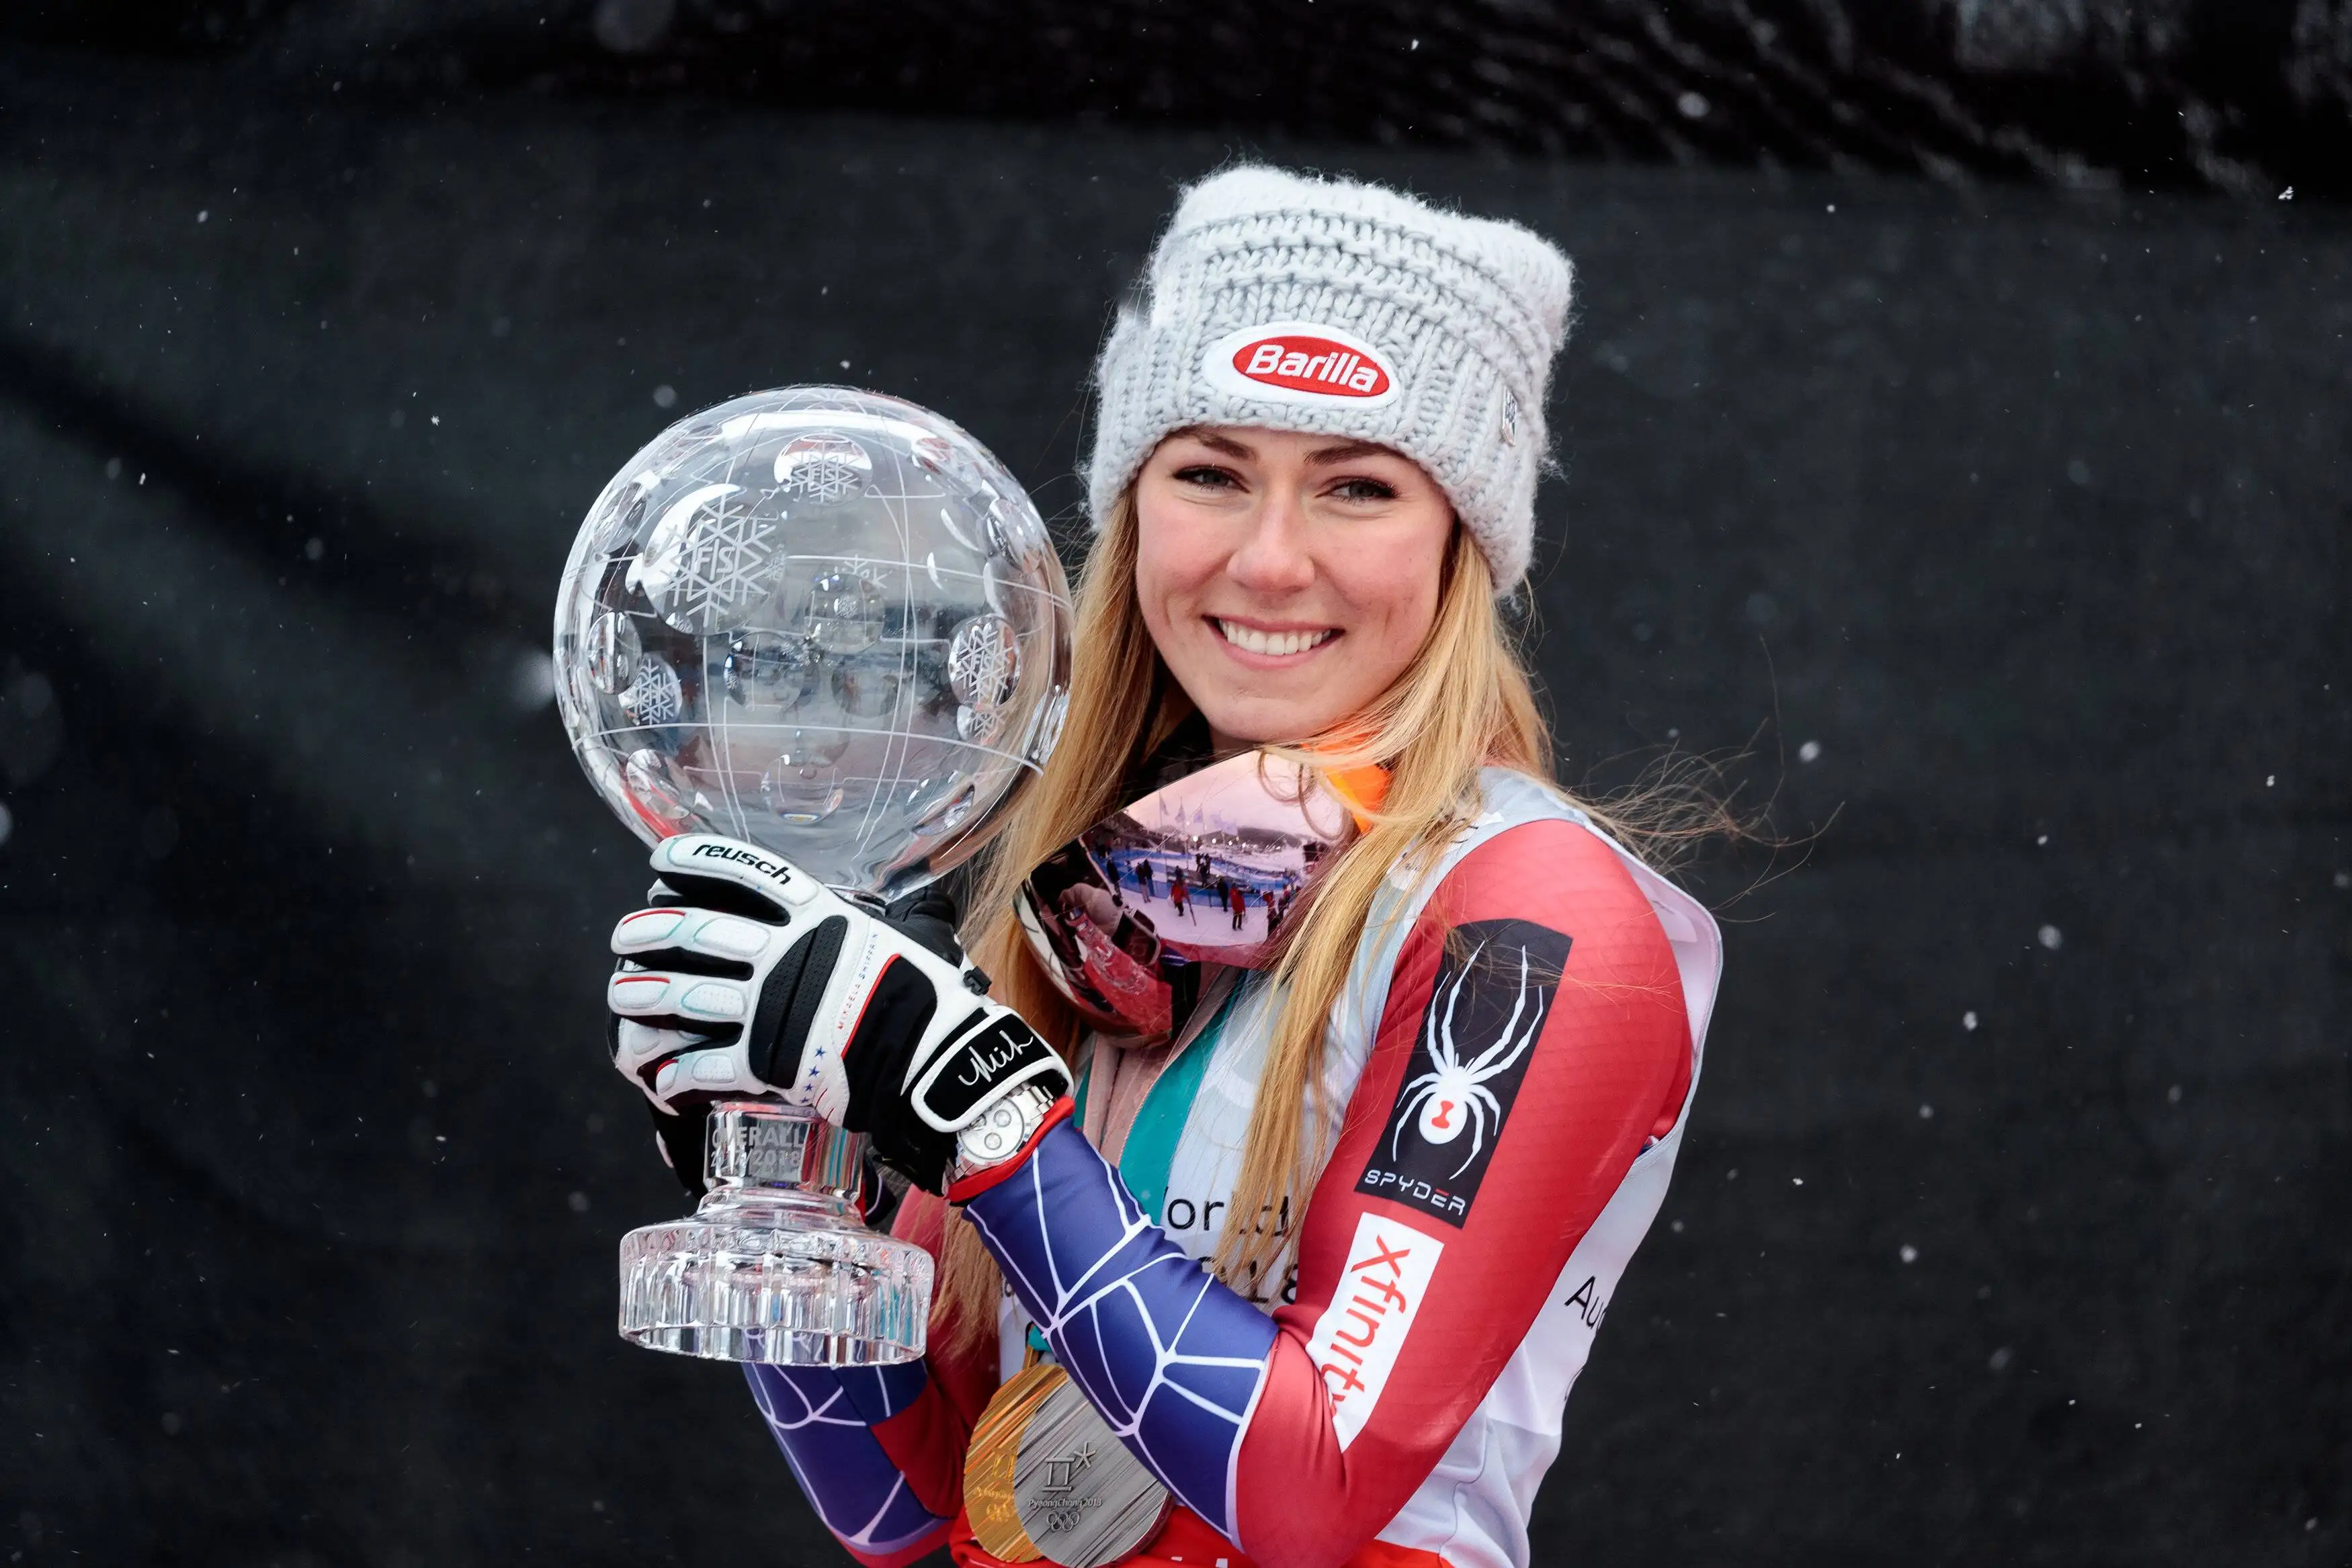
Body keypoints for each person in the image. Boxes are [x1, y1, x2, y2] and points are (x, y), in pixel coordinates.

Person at [602, 167, 1722, 1568]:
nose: (1270, 560)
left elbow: (1308, 1491)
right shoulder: (1106, 896)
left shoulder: (1530, 917)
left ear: (1462, 542)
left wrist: (981, 1115)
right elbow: (914, 1507)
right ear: (1132, 505)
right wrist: (806, 1193)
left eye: (1357, 487)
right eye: (1210, 473)